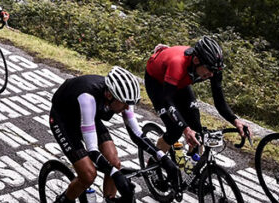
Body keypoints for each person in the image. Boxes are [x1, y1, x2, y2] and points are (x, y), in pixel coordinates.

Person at [49, 67, 176, 203]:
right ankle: (62, 201)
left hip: (88, 117)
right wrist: (115, 174)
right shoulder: (87, 98)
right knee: (88, 174)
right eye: (125, 104)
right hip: (64, 119)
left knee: (114, 162)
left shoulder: (122, 97)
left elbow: (136, 134)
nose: (128, 108)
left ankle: (109, 200)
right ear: (109, 96)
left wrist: (162, 157)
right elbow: (92, 150)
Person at [144, 37, 249, 164]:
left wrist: (235, 120)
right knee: (175, 130)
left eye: (214, 71)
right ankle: (154, 161)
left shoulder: (214, 69)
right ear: (196, 60)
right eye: (209, 69)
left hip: (179, 83)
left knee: (197, 128)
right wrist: (186, 130)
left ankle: (196, 167)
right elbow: (168, 101)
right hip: (157, 83)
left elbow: (219, 101)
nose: (211, 74)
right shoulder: (178, 63)